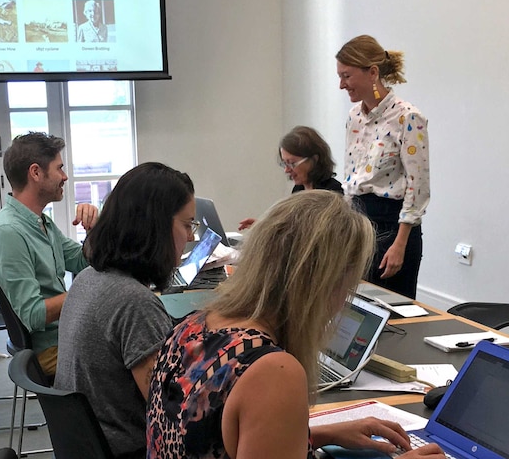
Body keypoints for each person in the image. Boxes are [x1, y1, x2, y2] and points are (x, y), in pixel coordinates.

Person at [146, 190, 444, 459]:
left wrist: (320, 434)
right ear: (326, 283)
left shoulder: (192, 325)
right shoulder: (272, 371)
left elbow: (218, 436)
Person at [55, 162, 193, 458]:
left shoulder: (88, 278)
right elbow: (171, 417)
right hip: (131, 449)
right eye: (187, 224)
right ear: (156, 226)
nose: (191, 237)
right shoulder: (134, 303)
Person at [0, 132, 99, 376]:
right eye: (59, 168)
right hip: (50, 350)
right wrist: (87, 291)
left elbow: (81, 261)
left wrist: (96, 230)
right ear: (35, 173)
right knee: (139, 350)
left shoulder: (39, 221)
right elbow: (33, 315)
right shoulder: (8, 234)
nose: (65, 177)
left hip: (64, 333)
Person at [337, 35, 430, 299]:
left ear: (372, 73)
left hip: (393, 226)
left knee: (392, 315)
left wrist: (400, 244)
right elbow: (351, 176)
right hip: (358, 223)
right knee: (354, 307)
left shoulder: (408, 117)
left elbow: (418, 186)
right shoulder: (355, 117)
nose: (342, 85)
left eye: (347, 76)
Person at [238, 125, 342, 230]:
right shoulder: (298, 189)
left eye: (292, 163)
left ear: (314, 160)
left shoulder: (333, 193)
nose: (287, 170)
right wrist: (263, 228)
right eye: (285, 164)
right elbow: (292, 230)